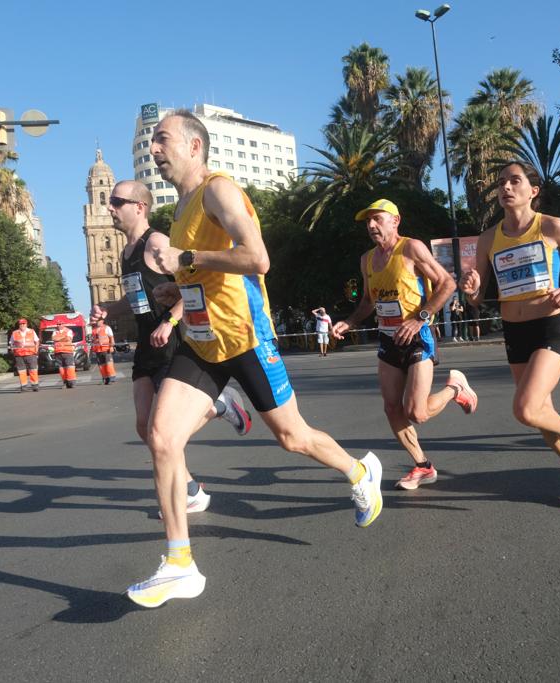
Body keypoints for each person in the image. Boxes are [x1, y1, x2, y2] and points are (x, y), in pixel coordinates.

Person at [125, 110, 383, 608]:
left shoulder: (218, 191)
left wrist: (188, 262)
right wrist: (173, 288)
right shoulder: (179, 210)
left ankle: (358, 472)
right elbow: (198, 273)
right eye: (151, 142)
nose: (154, 150)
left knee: (292, 437)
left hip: (245, 337)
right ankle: (180, 563)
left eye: (162, 140)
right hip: (202, 343)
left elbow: (257, 259)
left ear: (194, 146)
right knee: (160, 435)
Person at [460, 161, 560, 507]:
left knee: (526, 409)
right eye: (501, 183)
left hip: (548, 327)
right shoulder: (488, 238)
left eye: (515, 181)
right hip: (514, 331)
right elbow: (478, 295)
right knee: (541, 418)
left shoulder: (551, 226)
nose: (505, 188)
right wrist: (471, 288)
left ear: (533, 191)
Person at [111, 178, 252, 516]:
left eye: (117, 202)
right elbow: (135, 298)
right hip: (147, 341)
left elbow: (190, 287)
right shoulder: (126, 253)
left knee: (163, 429)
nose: (110, 208)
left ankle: (221, 408)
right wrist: (107, 309)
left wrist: (170, 322)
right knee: (144, 426)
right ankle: (191, 488)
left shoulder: (156, 242)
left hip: (171, 339)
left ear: (139, 207)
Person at [332, 198, 474, 490]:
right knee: (391, 408)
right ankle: (423, 466)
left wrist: (421, 318)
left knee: (417, 412)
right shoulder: (367, 259)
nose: (371, 225)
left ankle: (455, 388)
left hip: (418, 337)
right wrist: (351, 322)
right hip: (388, 339)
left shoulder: (411, 248)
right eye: (368, 221)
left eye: (378, 219)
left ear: (395, 221)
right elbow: (369, 301)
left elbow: (447, 282)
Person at [10, 318, 40, 392]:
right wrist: (13, 351)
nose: (22, 325)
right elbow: (11, 344)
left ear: (26, 324)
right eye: (21, 324)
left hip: (30, 354)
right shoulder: (15, 333)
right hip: (19, 355)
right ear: (19, 325)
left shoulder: (32, 331)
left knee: (33, 370)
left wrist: (36, 350)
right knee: (21, 371)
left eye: (23, 323)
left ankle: (35, 385)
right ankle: (24, 386)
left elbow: (37, 342)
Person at [91, 317, 117, 384]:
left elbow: (111, 338)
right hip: (98, 350)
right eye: (96, 321)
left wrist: (111, 347)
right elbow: (93, 340)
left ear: (102, 321)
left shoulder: (107, 328)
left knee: (109, 364)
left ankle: (112, 378)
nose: (97, 322)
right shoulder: (94, 329)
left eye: (98, 321)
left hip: (106, 349)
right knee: (101, 365)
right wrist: (93, 349)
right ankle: (105, 378)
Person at [51, 324, 78, 388]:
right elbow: (53, 338)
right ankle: (65, 382)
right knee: (61, 369)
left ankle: (71, 382)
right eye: (57, 324)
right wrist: (63, 337)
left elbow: (68, 339)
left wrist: (58, 338)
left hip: (67, 351)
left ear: (63, 324)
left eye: (60, 324)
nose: (58, 325)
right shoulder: (55, 331)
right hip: (58, 352)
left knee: (70, 367)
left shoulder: (69, 330)